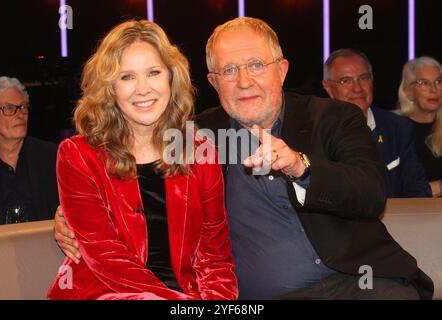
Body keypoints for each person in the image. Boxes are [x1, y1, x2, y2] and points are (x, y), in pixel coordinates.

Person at [55, 17, 433, 299]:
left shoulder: (332, 117)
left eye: (256, 66)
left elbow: (369, 192)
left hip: (360, 283)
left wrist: (300, 166)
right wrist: (69, 214)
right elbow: (131, 186)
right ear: (214, 81)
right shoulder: (198, 139)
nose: (244, 81)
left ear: (282, 71)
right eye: (229, 71)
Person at [47, 20, 237, 300]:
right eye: (127, 77)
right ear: (109, 88)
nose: (143, 88)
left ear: (171, 78)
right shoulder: (77, 156)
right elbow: (108, 261)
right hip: (106, 292)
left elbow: (216, 259)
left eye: (153, 73)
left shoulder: (201, 151)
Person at [322, 49, 431, 198]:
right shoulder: (317, 131)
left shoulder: (398, 128)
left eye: (363, 78)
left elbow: (418, 190)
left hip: (394, 219)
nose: (357, 88)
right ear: (328, 87)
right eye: (346, 81)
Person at [0, 76, 58, 226]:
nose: (20, 114)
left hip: (46, 246)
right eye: (9, 108)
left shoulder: (53, 158)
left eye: (23, 107)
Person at [398, 56, 442, 197]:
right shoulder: (394, 129)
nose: (434, 89)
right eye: (424, 83)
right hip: (411, 213)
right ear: (408, 91)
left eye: (439, 82)